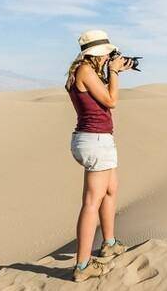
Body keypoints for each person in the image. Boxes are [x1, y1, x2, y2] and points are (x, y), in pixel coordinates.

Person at [65, 29, 131, 281]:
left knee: (111, 189)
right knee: (92, 202)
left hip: (96, 139)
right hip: (95, 140)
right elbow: (111, 101)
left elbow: (101, 98)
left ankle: (109, 242)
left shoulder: (85, 71)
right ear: (96, 53)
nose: (108, 57)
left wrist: (112, 72)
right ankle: (82, 266)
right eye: (105, 54)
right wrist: (113, 72)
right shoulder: (84, 71)